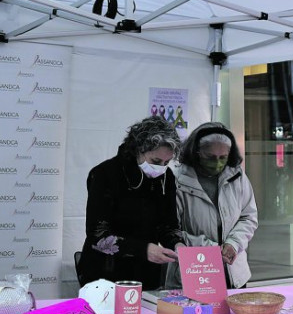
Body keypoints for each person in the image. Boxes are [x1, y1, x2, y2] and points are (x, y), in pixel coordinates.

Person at [78, 116, 183, 290]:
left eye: (167, 162)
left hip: (146, 275)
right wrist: (143, 249)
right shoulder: (105, 174)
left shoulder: (167, 177)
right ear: (138, 150)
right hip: (105, 275)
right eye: (156, 161)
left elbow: (168, 224)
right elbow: (98, 235)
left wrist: (177, 243)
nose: (161, 168)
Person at [165, 122, 258, 289]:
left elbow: (248, 217)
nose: (217, 163)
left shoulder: (237, 175)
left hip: (234, 273)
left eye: (223, 157)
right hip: (193, 272)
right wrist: (212, 250)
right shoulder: (177, 180)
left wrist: (233, 244)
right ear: (196, 153)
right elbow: (170, 231)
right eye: (210, 157)